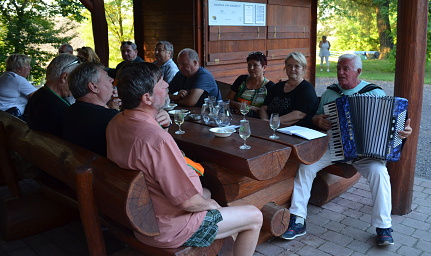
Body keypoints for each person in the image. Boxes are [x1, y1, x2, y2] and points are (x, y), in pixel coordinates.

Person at [106, 62, 262, 253]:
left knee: (206, 192)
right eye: (161, 82)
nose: (167, 85)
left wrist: (158, 122)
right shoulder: (156, 140)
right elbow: (187, 202)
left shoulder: (117, 121)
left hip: (140, 214)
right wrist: (213, 207)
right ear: (147, 98)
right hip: (166, 228)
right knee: (254, 216)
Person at [280, 53, 412, 246]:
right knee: (305, 167)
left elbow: (393, 128)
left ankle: (383, 226)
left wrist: (404, 132)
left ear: (358, 71)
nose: (340, 73)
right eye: (338, 69)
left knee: (380, 172)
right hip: (333, 147)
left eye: (345, 69)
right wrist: (318, 120)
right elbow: (316, 117)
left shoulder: (375, 93)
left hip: (365, 153)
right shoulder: (330, 93)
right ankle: (298, 220)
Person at [63, 62, 171, 156]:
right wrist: (164, 124)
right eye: (106, 77)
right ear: (94, 87)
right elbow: (156, 144)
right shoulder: (114, 120)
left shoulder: (71, 111)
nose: (112, 79)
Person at [25, 54, 80, 137]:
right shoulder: (53, 106)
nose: (78, 84)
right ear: (64, 77)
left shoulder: (40, 95)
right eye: (76, 79)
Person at [259, 52, 318, 127]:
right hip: (270, 127)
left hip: (292, 132)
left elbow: (298, 115)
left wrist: (273, 122)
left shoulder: (307, 89)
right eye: (289, 65)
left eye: (297, 66)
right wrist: (265, 122)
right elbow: (264, 108)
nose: (292, 69)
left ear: (303, 68)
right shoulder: (277, 86)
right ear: (285, 67)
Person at [226, 52, 274, 118]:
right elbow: (228, 101)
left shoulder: (270, 87)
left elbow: (269, 111)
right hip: (236, 117)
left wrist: (250, 108)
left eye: (255, 65)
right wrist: (237, 105)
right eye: (249, 65)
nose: (251, 68)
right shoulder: (242, 80)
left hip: (256, 120)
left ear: (264, 67)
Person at [0, 54, 37, 118]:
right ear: (18, 69)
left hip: (3, 115)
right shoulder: (17, 79)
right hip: (9, 118)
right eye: (27, 65)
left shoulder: (5, 76)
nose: (30, 68)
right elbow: (39, 96)